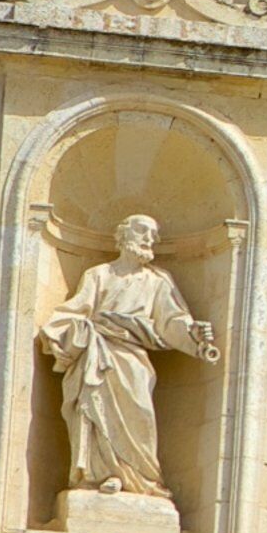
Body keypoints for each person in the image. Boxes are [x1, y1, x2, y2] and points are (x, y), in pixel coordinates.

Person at [41, 213, 219, 502]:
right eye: (144, 231)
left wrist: (195, 335)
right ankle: (101, 474)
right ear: (124, 235)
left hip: (133, 360)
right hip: (98, 355)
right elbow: (73, 312)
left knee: (139, 412)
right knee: (96, 412)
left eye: (154, 234)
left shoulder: (158, 281)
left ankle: (142, 479)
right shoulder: (98, 275)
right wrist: (66, 331)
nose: (151, 239)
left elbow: (171, 321)